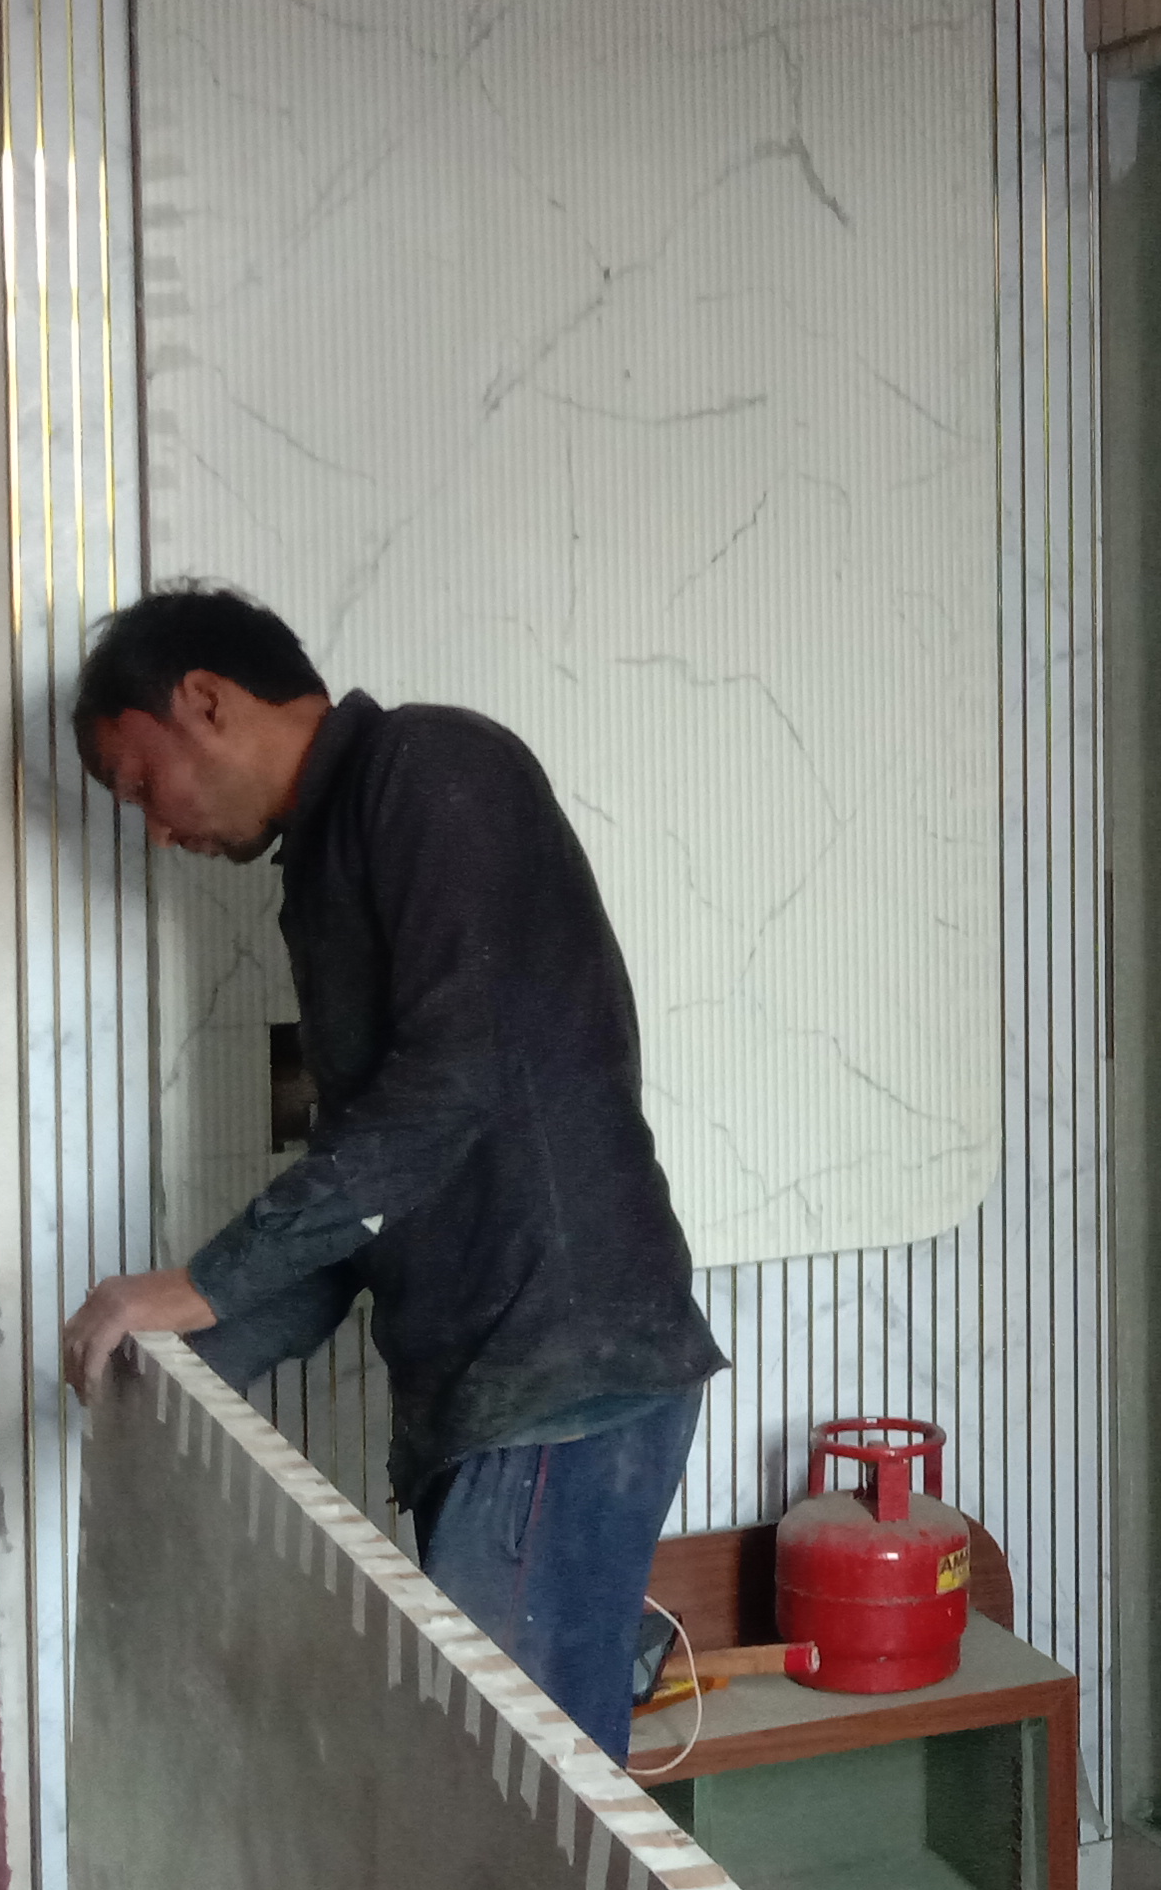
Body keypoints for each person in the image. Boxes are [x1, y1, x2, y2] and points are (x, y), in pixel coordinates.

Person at [56, 584, 725, 1761]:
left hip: (557, 1378)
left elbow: (447, 1089)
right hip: (510, 1396)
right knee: (514, 1794)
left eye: (139, 784)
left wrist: (203, 1284)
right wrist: (188, 1360)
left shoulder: (429, 766)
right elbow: (370, 1192)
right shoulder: (323, 870)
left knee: (515, 1803)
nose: (156, 831)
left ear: (203, 700)